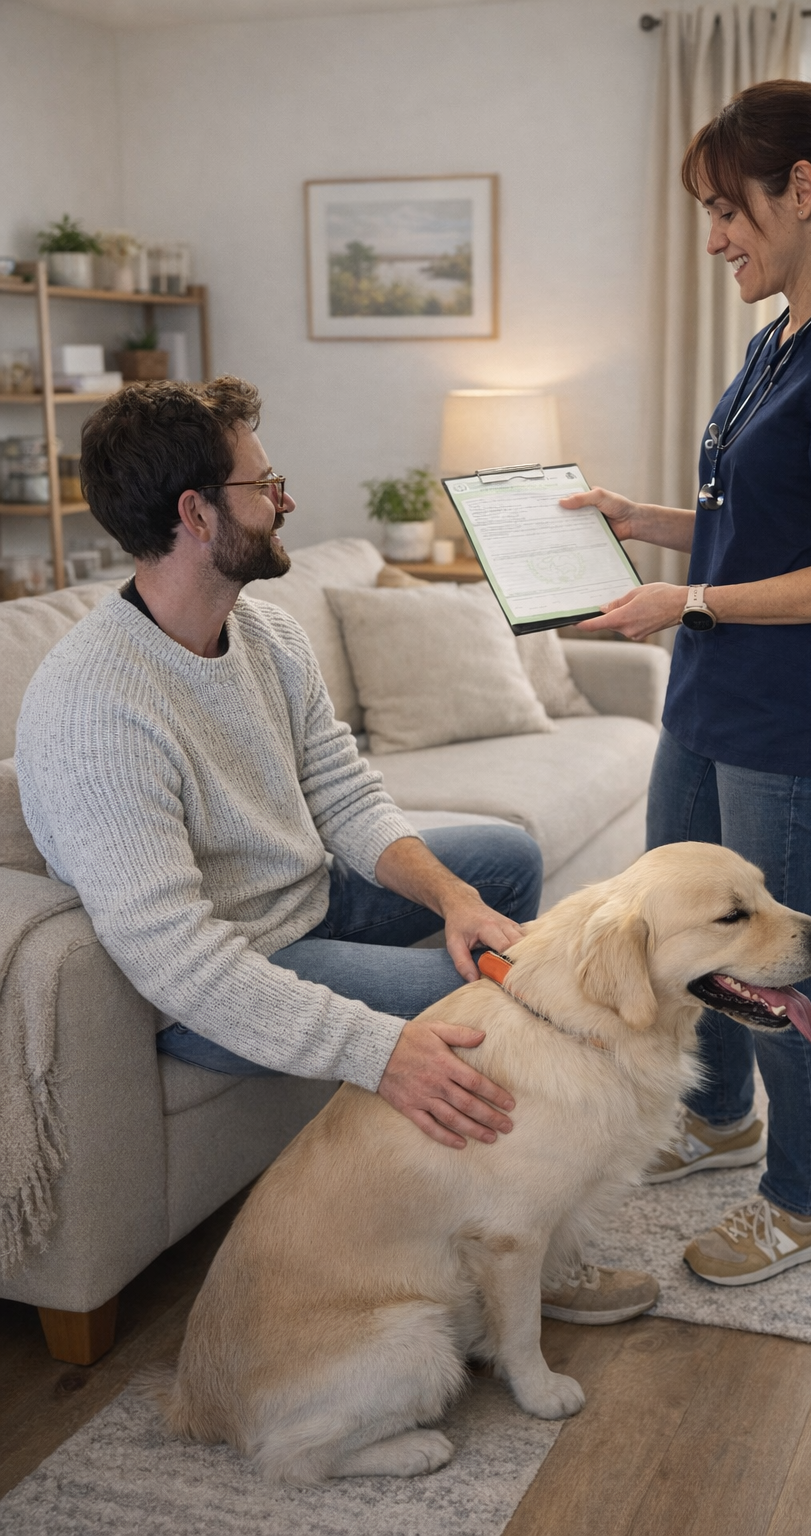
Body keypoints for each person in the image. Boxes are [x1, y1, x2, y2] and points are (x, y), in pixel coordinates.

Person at [15, 377, 658, 1324]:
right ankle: (527, 1253)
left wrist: (450, 900)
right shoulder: (98, 708)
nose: (286, 502)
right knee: (486, 1024)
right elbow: (180, 963)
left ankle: (511, 1133)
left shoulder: (261, 631)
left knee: (503, 864)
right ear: (196, 514)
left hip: (302, 895)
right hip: (224, 971)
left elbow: (344, 794)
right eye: (263, 485)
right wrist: (382, 1049)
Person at [561, 82, 811, 1284]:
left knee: (774, 966)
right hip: (708, 699)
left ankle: (800, 1199)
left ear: (800, 191)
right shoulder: (772, 335)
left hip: (787, 720)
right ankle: (719, 1123)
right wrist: (643, 523)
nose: (716, 237)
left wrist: (687, 600)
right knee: (690, 941)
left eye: (729, 210)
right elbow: (752, 532)